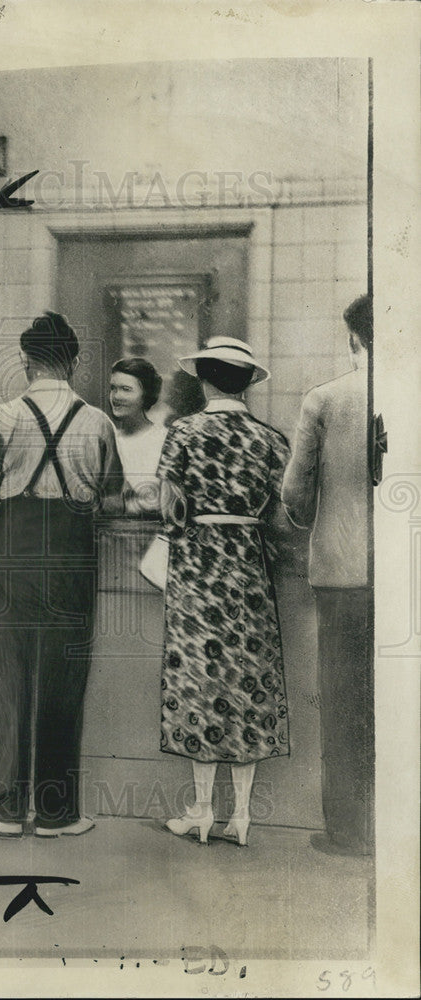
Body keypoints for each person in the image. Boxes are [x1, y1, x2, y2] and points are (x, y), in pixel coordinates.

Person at [0, 312, 124, 838]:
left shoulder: (3, 416)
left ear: (27, 361)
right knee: (63, 678)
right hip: (72, 556)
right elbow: (115, 498)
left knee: (6, 677)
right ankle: (57, 812)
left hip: (10, 554)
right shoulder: (98, 421)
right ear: (74, 362)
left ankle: (6, 809)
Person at [157, 336, 290, 847]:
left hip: (198, 566)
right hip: (250, 565)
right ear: (246, 381)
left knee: (199, 683)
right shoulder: (272, 440)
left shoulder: (183, 433)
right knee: (249, 685)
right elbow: (283, 513)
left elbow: (167, 506)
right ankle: (243, 816)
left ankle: (202, 810)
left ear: (205, 378)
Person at [281, 294, 374, 856]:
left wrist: (308, 518)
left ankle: (347, 830)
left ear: (353, 341)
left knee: (343, 706)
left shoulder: (325, 398)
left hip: (341, 574)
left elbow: (295, 492)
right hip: (405, 581)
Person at [109, 357, 166, 513]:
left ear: (146, 394)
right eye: (113, 388)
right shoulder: (109, 440)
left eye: (126, 389)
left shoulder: (164, 440)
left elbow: (163, 501)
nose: (116, 396)